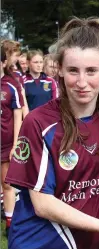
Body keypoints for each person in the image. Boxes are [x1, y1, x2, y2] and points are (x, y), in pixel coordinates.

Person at [5, 17, 99, 249]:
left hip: (90, 241)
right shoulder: (39, 122)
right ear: (59, 69)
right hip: (41, 243)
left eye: (91, 70)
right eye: (73, 70)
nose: (82, 82)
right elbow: (43, 204)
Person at [1, 45, 24, 236]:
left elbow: (18, 116)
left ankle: (10, 223)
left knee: (7, 185)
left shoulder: (11, 84)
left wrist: (16, 144)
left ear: (2, 63)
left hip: (6, 144)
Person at [1, 39, 29, 118]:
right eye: (16, 55)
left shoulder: (17, 75)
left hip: (12, 123)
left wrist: (26, 120)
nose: (18, 59)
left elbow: (23, 101)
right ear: (7, 54)